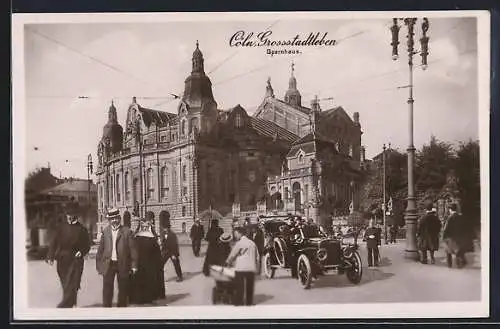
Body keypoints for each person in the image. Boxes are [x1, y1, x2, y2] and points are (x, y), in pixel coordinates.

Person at [46, 205, 90, 308]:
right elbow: (54, 242)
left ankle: (65, 304)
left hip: (75, 260)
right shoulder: (61, 227)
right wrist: (50, 256)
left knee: (73, 282)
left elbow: (87, 245)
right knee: (65, 282)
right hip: (62, 259)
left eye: (71, 215)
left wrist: (82, 251)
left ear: (76, 215)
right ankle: (71, 301)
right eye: (68, 215)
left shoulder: (82, 229)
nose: (69, 217)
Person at [96, 208, 138, 308]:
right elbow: (100, 250)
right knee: (107, 289)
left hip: (122, 263)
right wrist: (99, 265)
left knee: (123, 289)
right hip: (109, 264)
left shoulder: (127, 232)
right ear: (109, 220)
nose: (114, 220)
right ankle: (107, 310)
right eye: (112, 219)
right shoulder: (106, 231)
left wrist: (134, 265)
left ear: (119, 218)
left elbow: (133, 250)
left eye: (116, 218)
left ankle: (121, 310)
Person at [129, 217, 165, 305]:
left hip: (141, 263)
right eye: (144, 226)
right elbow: (157, 253)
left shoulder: (136, 237)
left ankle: (139, 298)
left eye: (146, 226)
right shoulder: (152, 238)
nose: (144, 227)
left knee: (140, 280)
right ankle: (147, 298)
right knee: (147, 280)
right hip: (148, 263)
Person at [226, 227, 260, 306]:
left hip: (241, 268)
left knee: (240, 286)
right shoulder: (252, 243)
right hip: (251, 268)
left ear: (240, 233)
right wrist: (257, 268)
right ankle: (249, 303)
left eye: (236, 234)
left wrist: (228, 262)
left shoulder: (239, 243)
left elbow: (233, 255)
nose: (235, 235)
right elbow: (257, 257)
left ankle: (239, 302)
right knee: (249, 286)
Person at [443, 203, 472, 268]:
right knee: (458, 249)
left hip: (451, 237)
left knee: (448, 251)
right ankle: (459, 262)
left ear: (450, 209)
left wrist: (444, 236)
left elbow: (446, 228)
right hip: (459, 236)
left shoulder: (449, 218)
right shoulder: (460, 217)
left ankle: (449, 264)